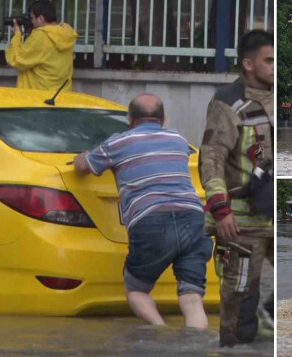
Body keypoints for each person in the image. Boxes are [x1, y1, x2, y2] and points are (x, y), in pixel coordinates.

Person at [73, 94, 212, 329]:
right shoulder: (178, 139)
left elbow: (83, 167)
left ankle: (158, 333)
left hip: (151, 220)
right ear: (163, 119)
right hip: (194, 219)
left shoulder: (118, 143)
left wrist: (81, 155)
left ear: (129, 118)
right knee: (192, 297)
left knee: (136, 289)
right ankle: (196, 346)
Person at [199, 29, 274, 347]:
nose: (274, 67)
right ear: (247, 64)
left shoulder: (280, 99)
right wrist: (220, 208)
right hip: (239, 221)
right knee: (238, 306)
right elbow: (211, 159)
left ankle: (269, 319)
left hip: (273, 216)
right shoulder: (228, 103)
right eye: (268, 61)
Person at [5, 0, 78, 91]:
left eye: (32, 18)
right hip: (60, 97)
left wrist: (17, 35)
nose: (31, 21)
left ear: (40, 18)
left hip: (39, 98)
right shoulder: (65, 34)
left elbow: (16, 59)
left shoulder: (40, 37)